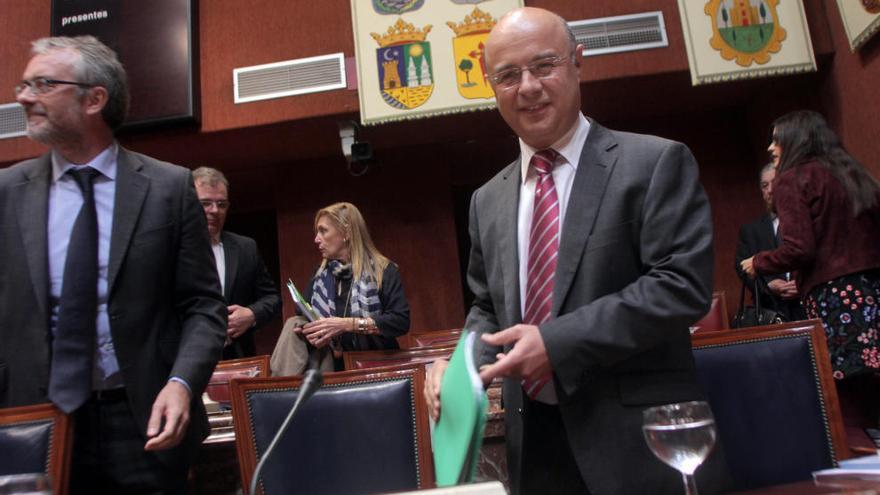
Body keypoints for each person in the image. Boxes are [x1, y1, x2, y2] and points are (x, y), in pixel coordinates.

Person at [424, 7, 728, 494]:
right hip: (536, 448)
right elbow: (488, 307)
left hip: (641, 441)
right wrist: (460, 366)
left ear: (578, 63)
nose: (527, 86)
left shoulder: (653, 162)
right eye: (508, 75)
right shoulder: (486, 200)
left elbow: (681, 286)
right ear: (490, 85)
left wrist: (556, 343)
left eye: (544, 66)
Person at [0, 36, 226, 493]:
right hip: (36, 422)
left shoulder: (168, 188)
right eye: (24, 84)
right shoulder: (7, 192)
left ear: (94, 99)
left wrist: (182, 382)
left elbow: (204, 307)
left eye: (42, 84)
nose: (23, 96)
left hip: (144, 419)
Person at [742, 110, 880, 430]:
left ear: (794, 140)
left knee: (847, 401)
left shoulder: (793, 179)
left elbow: (800, 248)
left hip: (836, 298)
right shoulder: (852, 172)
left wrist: (758, 262)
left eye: (776, 139)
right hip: (872, 291)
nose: (770, 148)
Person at [273, 202, 410, 373]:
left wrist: (346, 324)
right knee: (294, 322)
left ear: (347, 232)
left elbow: (401, 322)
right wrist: (316, 334)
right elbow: (304, 317)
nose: (316, 239)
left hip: (376, 365)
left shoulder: (384, 270)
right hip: (333, 367)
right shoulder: (320, 274)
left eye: (323, 231)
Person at [193, 166, 281, 360]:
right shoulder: (171, 248)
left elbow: (272, 299)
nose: (215, 210)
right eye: (206, 203)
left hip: (237, 358)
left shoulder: (245, 248)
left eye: (221, 204)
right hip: (183, 360)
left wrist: (251, 314)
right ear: (189, 203)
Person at [734, 162, 807, 322]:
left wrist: (803, 284)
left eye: (775, 183)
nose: (770, 190)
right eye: (764, 185)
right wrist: (768, 285)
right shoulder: (751, 231)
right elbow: (742, 267)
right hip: (771, 313)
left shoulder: (805, 220)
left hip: (808, 306)